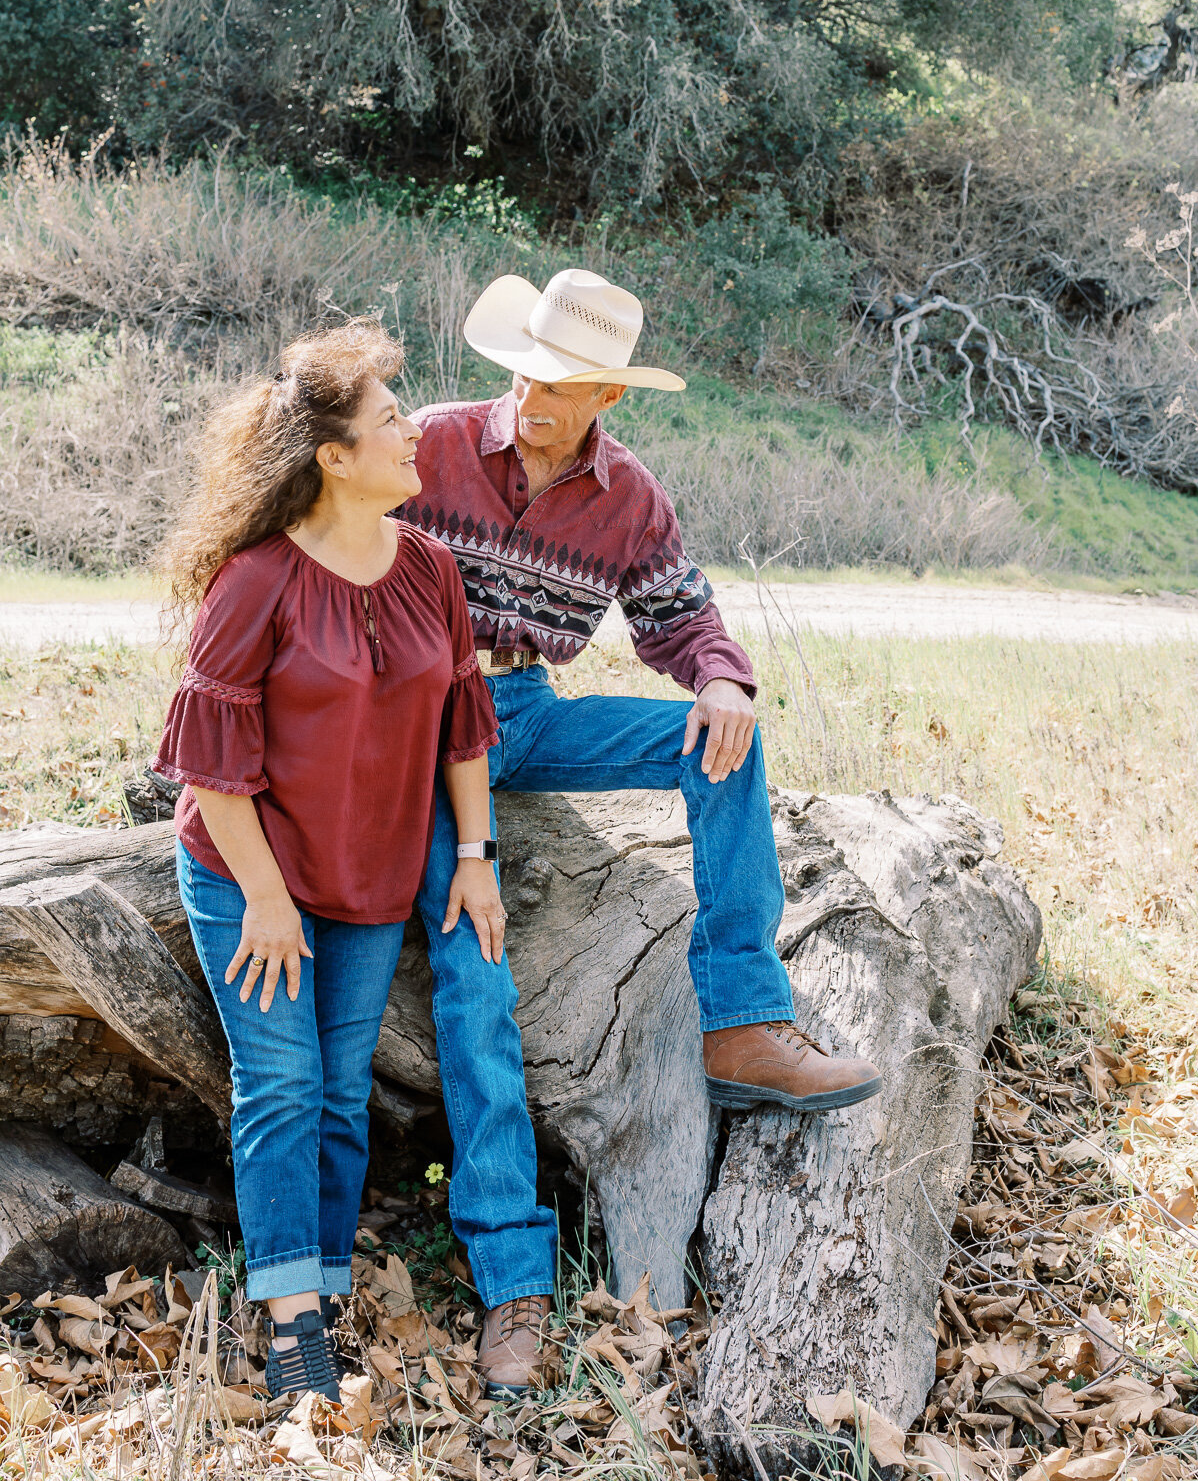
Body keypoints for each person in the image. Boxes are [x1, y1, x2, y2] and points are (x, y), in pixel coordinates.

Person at [396, 268, 884, 1396]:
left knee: (725, 739)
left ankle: (744, 1024)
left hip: (527, 714)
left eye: (561, 380)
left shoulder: (628, 497)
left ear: (608, 391)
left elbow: (683, 616)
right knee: (477, 968)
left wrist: (721, 677)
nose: (531, 391)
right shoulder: (428, 446)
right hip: (422, 732)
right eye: (525, 365)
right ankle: (514, 1278)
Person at [152, 319, 502, 1402]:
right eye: (392, 422)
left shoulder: (432, 568)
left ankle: (327, 1274)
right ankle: (294, 1325)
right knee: (285, 1084)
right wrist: (262, 897)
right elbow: (209, 766)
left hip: (368, 881)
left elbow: (463, 722)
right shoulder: (254, 582)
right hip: (248, 872)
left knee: (343, 1095)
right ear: (333, 459)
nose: (416, 437)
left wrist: (476, 855)